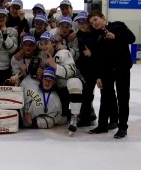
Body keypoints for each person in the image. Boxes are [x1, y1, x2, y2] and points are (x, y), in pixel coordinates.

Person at [87, 10, 135, 139]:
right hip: (106, 71)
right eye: (92, 22)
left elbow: (132, 38)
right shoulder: (94, 36)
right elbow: (96, 58)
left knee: (123, 98)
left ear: (103, 17)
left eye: (95, 19)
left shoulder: (118, 25)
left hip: (122, 68)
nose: (94, 23)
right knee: (105, 98)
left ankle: (122, 127)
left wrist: (116, 37)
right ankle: (102, 125)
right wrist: (98, 76)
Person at [37, 31, 83, 134]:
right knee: (62, 118)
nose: (44, 46)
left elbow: (72, 71)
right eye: (42, 43)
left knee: (74, 82)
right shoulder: (43, 55)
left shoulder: (63, 53)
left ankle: (75, 116)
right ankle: (67, 113)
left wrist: (55, 66)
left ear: (53, 43)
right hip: (58, 88)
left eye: (46, 43)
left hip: (69, 86)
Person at [73, 11, 98, 127]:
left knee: (88, 93)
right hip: (82, 67)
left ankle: (86, 117)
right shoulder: (79, 34)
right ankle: (88, 114)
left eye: (85, 22)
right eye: (80, 22)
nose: (82, 25)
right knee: (84, 92)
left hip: (93, 68)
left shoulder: (96, 34)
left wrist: (92, 53)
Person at [0, 8, 18, 85]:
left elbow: (12, 49)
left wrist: (5, 35)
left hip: (6, 68)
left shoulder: (12, 31)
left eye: (3, 17)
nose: (1, 19)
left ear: (6, 18)